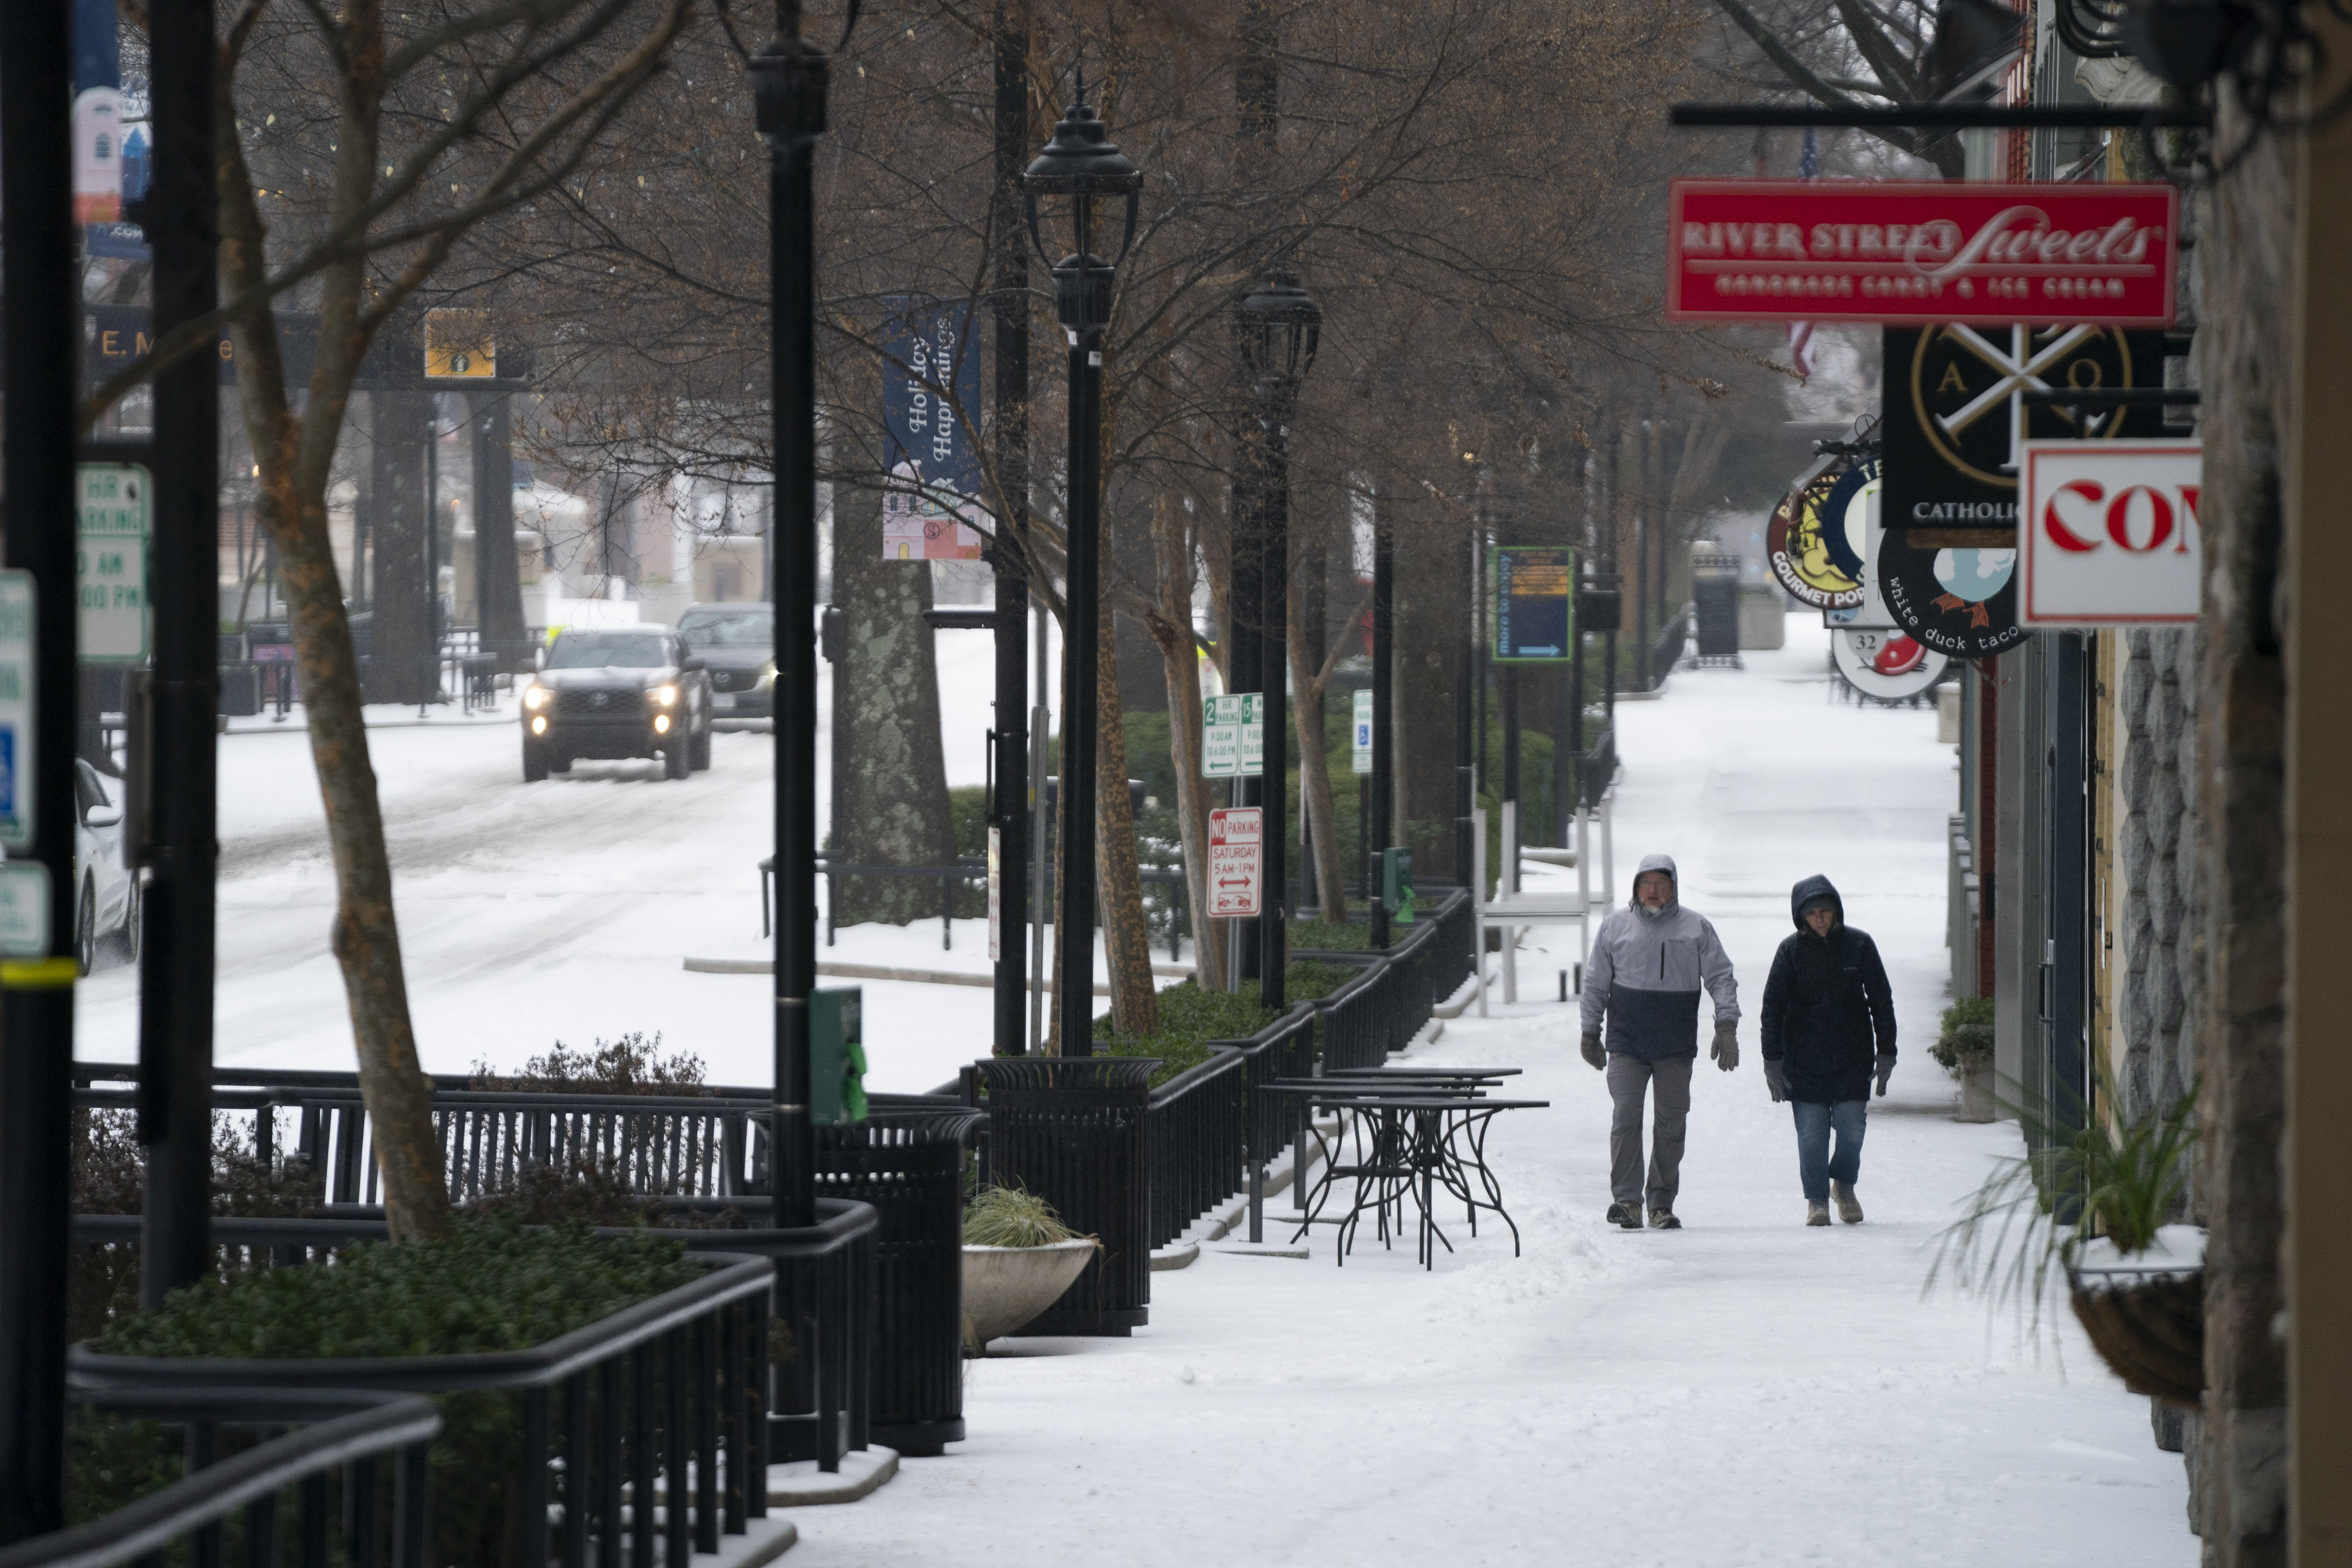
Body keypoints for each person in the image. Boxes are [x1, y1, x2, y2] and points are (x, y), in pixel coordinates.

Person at [1579, 854, 1740, 1230]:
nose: (1653, 890)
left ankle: (1661, 1203)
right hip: (1627, 1042)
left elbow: (1720, 976)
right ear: (1636, 887)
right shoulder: (1614, 927)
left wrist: (1726, 1024)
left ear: (1674, 887)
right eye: (1646, 882)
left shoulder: (1696, 928)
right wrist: (1590, 1031)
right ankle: (1627, 1200)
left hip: (1674, 1044)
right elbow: (1596, 982)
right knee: (1625, 1117)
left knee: (1671, 1123)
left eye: (1661, 883)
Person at [1759, 875, 1896, 1226]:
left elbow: (1881, 1000)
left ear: (1836, 911)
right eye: (1812, 913)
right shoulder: (1789, 952)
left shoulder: (1859, 945)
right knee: (1811, 1135)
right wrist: (1772, 1059)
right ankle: (1817, 1199)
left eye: (1825, 911)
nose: (1819, 919)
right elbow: (1772, 1007)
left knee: (1852, 1130)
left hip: (1852, 1056)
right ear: (1801, 917)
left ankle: (1844, 1185)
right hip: (1803, 1059)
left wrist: (1886, 1051)